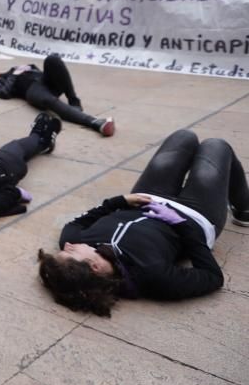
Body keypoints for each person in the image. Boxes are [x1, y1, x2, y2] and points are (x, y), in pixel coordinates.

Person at [38, 130, 249, 317]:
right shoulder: (152, 277)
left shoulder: (74, 240)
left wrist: (119, 202)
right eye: (71, 252)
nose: (67, 246)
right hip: (194, 214)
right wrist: (181, 224)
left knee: (183, 137)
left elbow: (78, 221)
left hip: (146, 198)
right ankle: (244, 208)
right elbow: (212, 276)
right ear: (94, 267)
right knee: (216, 146)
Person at [0, 54, 114, 137]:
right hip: (31, 90)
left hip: (45, 81)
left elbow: (35, 69)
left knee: (52, 59)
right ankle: (95, 122)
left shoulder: (12, 69)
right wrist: (13, 75)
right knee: (49, 101)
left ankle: (74, 102)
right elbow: (4, 93)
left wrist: (22, 69)